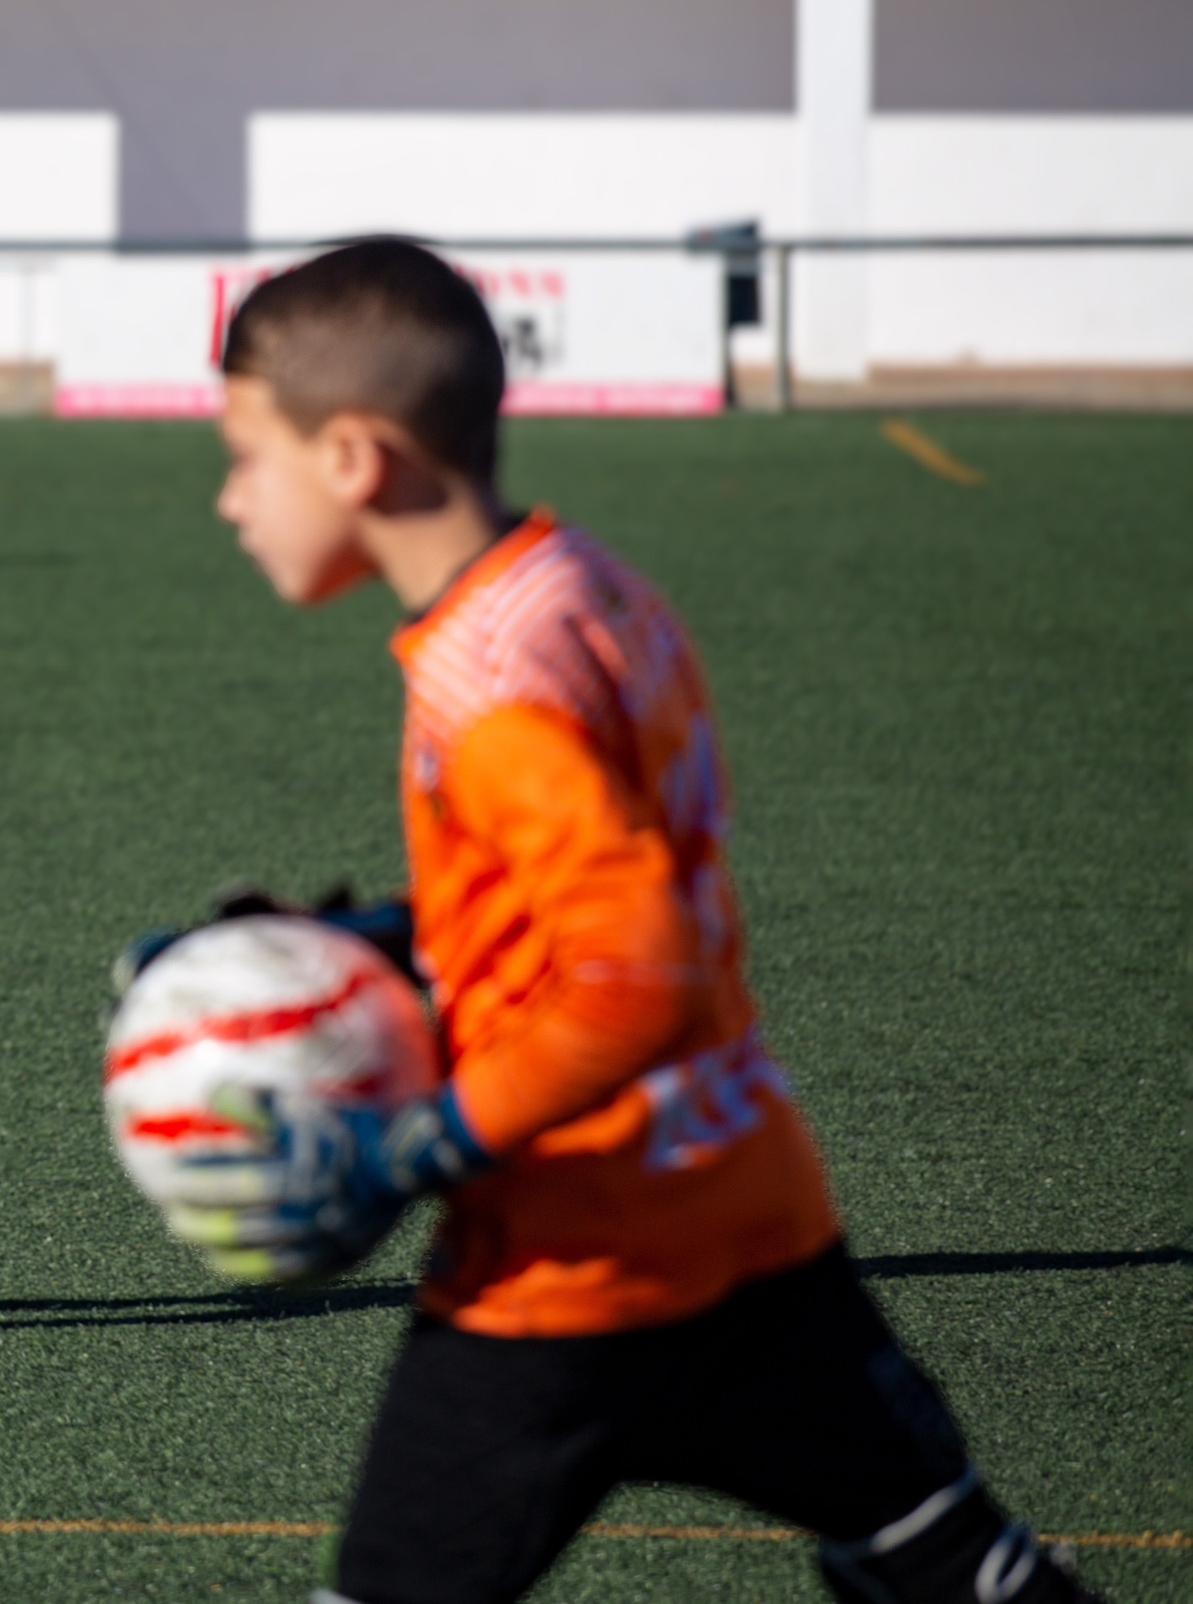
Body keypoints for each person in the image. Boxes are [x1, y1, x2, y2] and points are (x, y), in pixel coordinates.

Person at [190, 239, 1095, 1604]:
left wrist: (420, 1143)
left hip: (568, 1262)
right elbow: (611, 880)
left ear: (355, 459)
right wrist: (378, 939)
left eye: (246, 456)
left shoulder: (488, 694)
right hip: (752, 1221)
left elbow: (635, 970)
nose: (228, 500)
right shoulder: (580, 587)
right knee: (950, 1571)